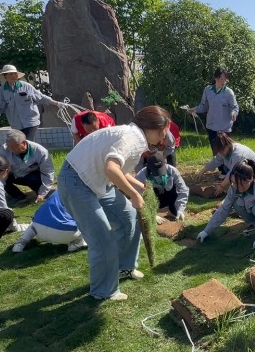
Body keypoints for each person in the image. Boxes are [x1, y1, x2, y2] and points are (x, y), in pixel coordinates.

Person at [58, 106, 172, 301]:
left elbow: (120, 169)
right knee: (102, 240)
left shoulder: (135, 137)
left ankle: (125, 267)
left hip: (97, 180)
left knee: (129, 217)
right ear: (154, 128)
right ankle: (103, 291)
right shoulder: (132, 138)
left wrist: (139, 186)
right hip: (77, 182)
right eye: (164, 132)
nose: (163, 137)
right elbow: (111, 169)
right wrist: (134, 196)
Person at [197, 159, 255, 253]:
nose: (237, 187)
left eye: (241, 184)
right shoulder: (234, 187)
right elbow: (224, 209)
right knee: (237, 203)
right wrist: (206, 231)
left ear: (250, 179)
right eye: (234, 182)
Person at [0, 64, 60, 141]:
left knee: (26, 142)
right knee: (19, 144)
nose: (14, 76)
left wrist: (57, 103)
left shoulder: (26, 86)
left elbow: (40, 97)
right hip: (16, 124)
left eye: (15, 73)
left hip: (31, 121)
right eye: (11, 74)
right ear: (5, 76)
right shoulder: (2, 90)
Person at [188, 67, 238, 176]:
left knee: (225, 150)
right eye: (221, 79)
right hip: (211, 125)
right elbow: (204, 106)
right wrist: (195, 109)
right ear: (215, 78)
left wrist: (234, 113)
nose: (223, 82)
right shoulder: (208, 90)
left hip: (224, 126)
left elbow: (235, 107)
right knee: (215, 150)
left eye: (225, 80)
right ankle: (221, 170)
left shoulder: (229, 92)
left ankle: (227, 171)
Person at [11, 191, 87, 253]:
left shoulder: (57, 191)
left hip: (39, 230)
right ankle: (76, 243)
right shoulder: (83, 193)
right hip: (65, 234)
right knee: (88, 223)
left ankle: (20, 243)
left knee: (32, 224)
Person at [0, 130, 55, 204]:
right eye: (9, 147)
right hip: (14, 174)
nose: (10, 150)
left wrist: (42, 193)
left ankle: (40, 193)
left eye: (13, 147)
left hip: (31, 176)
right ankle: (17, 196)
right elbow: (1, 167)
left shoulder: (40, 152)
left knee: (33, 179)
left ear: (24, 143)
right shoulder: (4, 149)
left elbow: (48, 173)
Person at [135, 152, 189, 223]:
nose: (159, 175)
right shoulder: (140, 176)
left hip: (168, 195)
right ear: (148, 167)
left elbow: (183, 190)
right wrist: (152, 215)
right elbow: (137, 197)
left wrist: (180, 209)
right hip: (153, 199)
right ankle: (155, 212)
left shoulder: (172, 170)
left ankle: (172, 210)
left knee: (176, 212)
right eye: (156, 172)